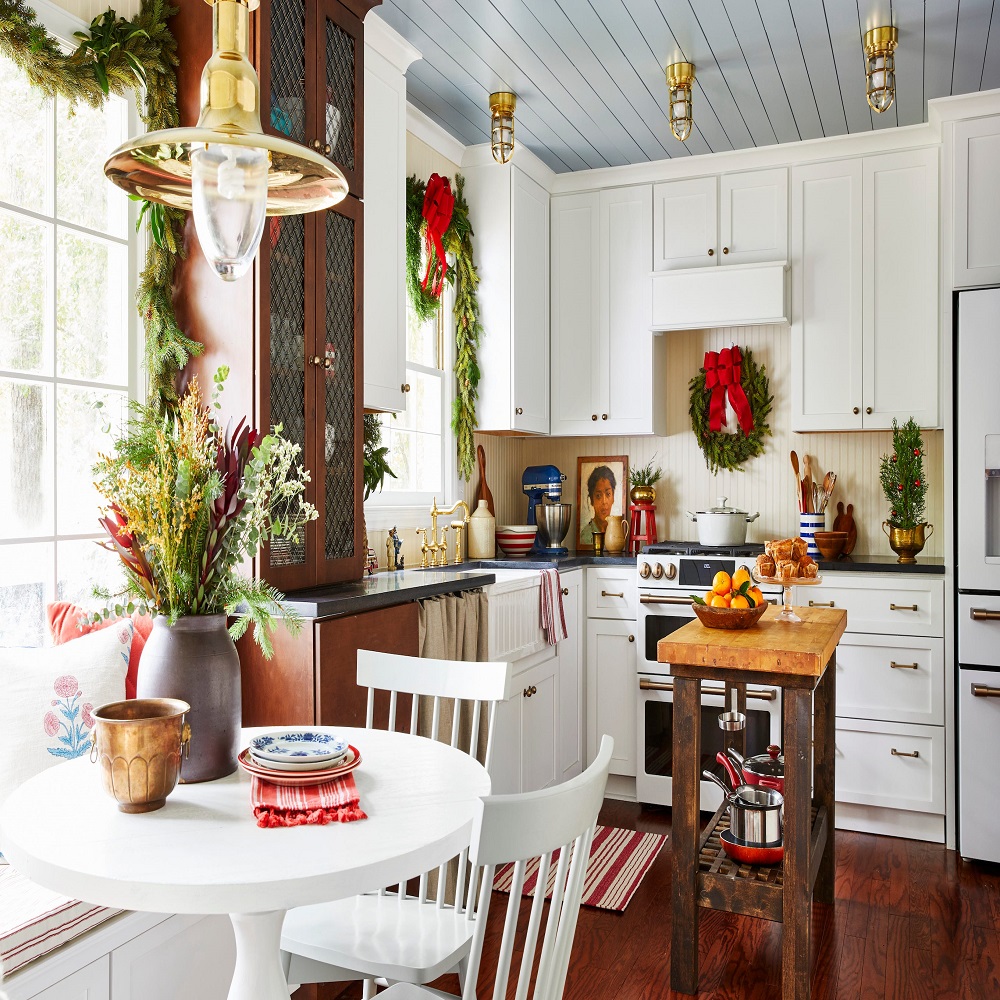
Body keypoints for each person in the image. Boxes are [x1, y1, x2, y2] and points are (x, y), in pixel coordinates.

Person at [580, 465, 617, 546]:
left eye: (608, 494)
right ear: (592, 500)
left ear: (613, 497)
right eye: (598, 496)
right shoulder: (585, 536)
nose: (604, 502)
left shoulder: (616, 533)